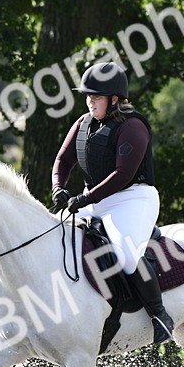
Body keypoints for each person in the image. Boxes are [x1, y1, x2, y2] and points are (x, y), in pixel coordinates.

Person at [51, 62, 174, 344]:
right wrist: (58, 187)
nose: (90, 101)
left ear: (114, 99)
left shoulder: (132, 126)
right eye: (88, 96)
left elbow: (123, 175)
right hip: (93, 197)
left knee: (127, 254)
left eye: (96, 97)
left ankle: (160, 316)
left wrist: (85, 198)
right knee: (52, 237)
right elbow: (63, 160)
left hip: (132, 198)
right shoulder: (83, 123)